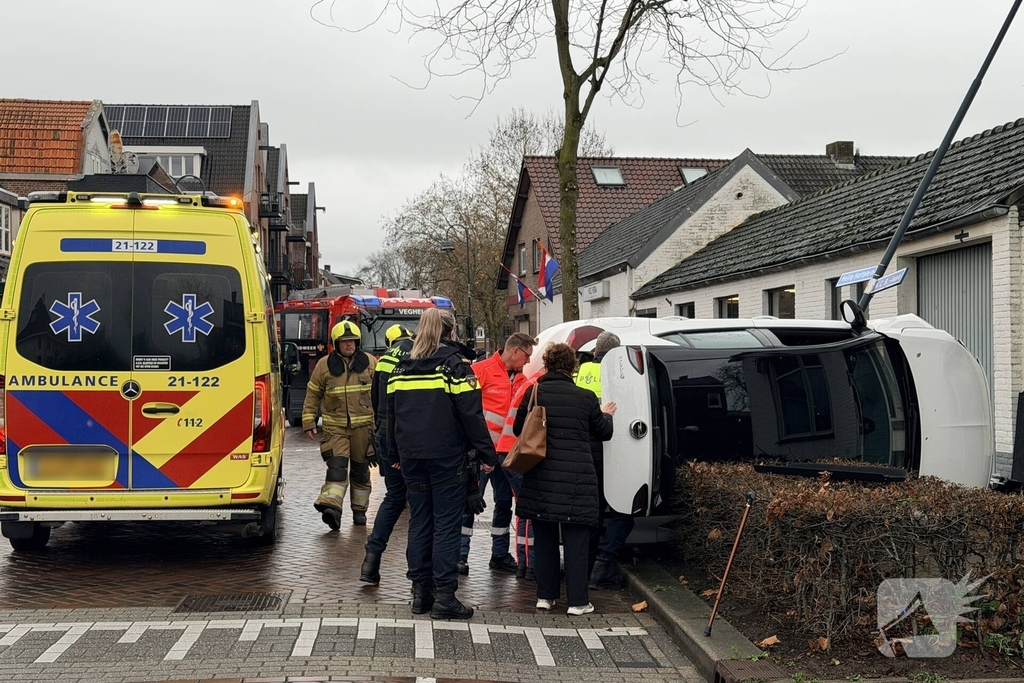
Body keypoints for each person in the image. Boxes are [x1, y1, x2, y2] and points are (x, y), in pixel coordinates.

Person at [386, 308, 498, 619]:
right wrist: (488, 454)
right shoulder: (455, 366)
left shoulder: (400, 369)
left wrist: (392, 454)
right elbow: (471, 415)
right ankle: (445, 597)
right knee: (446, 526)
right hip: (447, 458)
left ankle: (420, 594)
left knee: (419, 522)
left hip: (411, 457)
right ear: (451, 332)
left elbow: (390, 417)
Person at [514, 342, 615, 616]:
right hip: (577, 481)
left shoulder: (533, 392)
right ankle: (578, 602)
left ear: (546, 364)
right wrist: (607, 413)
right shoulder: (584, 397)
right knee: (577, 542)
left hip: (540, 479)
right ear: (572, 366)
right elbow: (604, 432)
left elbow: (516, 428)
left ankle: (545, 597)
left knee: (545, 539)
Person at [459, 332, 536, 576]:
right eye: (526, 356)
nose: (527, 362)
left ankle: (499, 554)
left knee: (504, 504)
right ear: (515, 350)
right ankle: (459, 555)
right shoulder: (481, 370)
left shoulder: (523, 379)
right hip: (481, 455)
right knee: (470, 504)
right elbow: (467, 410)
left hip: (506, 455)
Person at [575, 331, 637, 590]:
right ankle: (603, 564)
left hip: (583, 451)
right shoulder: (621, 374)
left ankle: (586, 567)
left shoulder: (581, 371)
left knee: (594, 512)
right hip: (611, 450)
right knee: (626, 509)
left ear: (595, 352)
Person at [303, 320, 378, 529]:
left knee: (361, 472)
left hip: (364, 429)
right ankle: (331, 508)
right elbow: (313, 394)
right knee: (337, 469)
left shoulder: (371, 363)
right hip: (335, 429)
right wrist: (309, 420)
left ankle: (360, 511)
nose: (349, 345)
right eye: (344, 342)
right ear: (336, 344)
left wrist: (383, 424)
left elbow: (381, 395)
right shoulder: (323, 366)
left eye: (353, 341)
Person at [360, 324, 416, 585]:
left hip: (386, 436)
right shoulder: (420, 354)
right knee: (421, 505)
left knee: (394, 498)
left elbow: (375, 401)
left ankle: (371, 560)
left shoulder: (384, 362)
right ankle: (418, 572)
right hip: (414, 439)